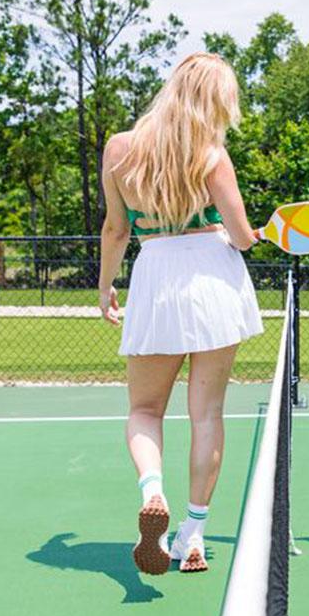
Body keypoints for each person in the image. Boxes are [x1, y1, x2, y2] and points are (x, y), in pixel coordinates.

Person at [98, 53, 263, 574]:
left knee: (145, 409)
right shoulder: (212, 153)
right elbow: (240, 236)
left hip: (155, 275)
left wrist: (105, 288)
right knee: (206, 414)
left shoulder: (120, 149)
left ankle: (153, 491)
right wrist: (254, 234)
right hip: (214, 275)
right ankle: (193, 535)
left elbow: (116, 230)